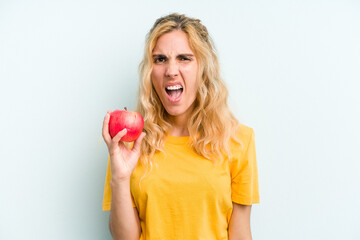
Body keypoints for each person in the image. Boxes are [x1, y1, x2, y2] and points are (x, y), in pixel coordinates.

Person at [101, 13, 260, 240]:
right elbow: (125, 238)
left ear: (202, 67)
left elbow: (241, 234)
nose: (171, 71)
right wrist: (120, 178)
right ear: (150, 72)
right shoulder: (129, 144)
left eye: (184, 58)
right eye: (160, 59)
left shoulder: (238, 140)